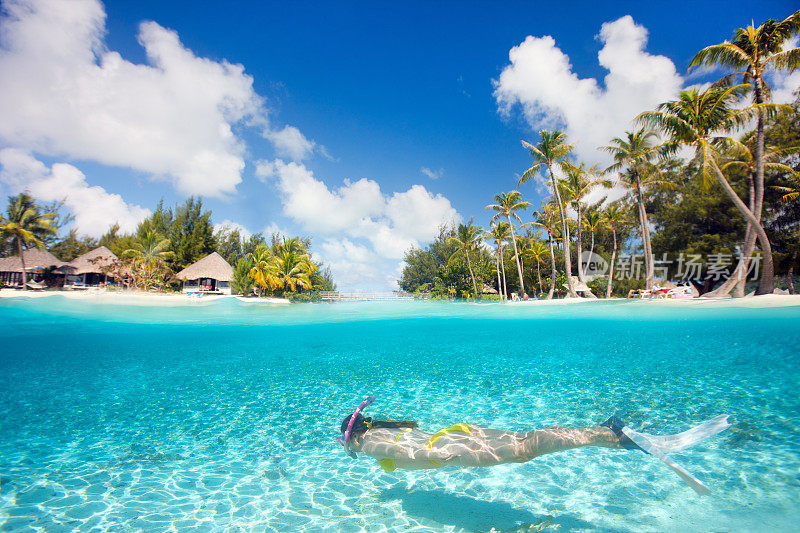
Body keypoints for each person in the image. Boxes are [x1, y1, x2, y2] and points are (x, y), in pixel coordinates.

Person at [339, 396, 731, 493]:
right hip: (460, 431)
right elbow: (407, 442)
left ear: (353, 437)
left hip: (452, 447)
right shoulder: (382, 429)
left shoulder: (369, 444)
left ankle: (607, 435)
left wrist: (440, 455)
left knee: (525, 450)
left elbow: (405, 454)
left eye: (347, 445)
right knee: (525, 442)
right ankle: (606, 433)